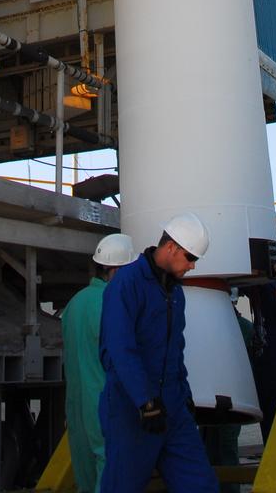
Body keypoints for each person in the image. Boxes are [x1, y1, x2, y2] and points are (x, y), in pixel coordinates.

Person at [98, 211, 218, 492]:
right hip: (133, 410)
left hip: (172, 409)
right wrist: (145, 402)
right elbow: (120, 348)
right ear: (171, 247)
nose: (192, 266)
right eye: (191, 258)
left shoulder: (175, 292)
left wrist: (184, 396)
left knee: (201, 485)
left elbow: (175, 349)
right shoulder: (127, 283)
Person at [62, 233, 137, 493]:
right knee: (110, 469)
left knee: (85, 473)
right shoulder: (113, 304)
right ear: (116, 269)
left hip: (77, 404)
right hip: (106, 402)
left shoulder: (75, 303)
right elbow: (125, 358)